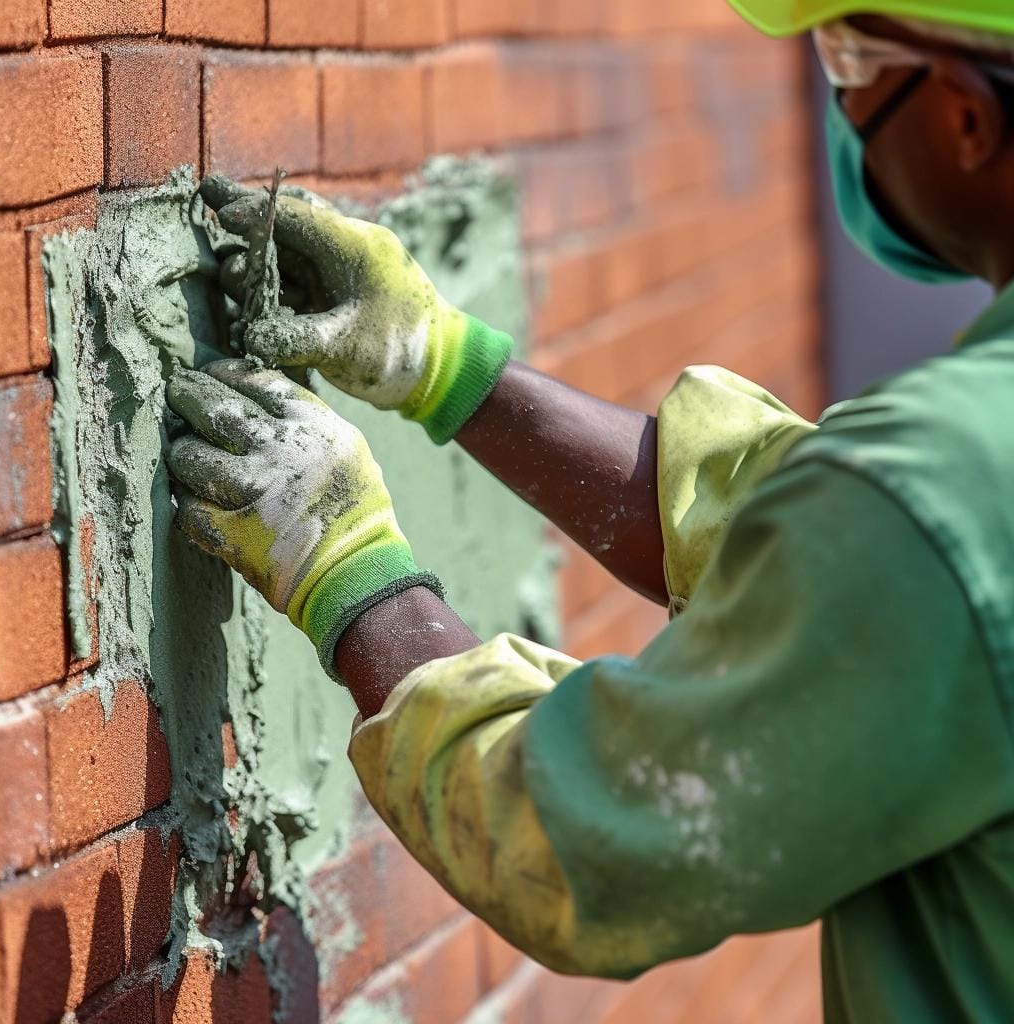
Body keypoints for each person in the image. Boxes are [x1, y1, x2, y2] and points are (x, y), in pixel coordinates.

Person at [166, 2, 1014, 1018]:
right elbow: (802, 528)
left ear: (967, 119)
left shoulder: (950, 484)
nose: (838, 98)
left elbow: (582, 839)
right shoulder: (959, 474)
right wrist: (440, 363)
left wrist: (344, 563)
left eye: (849, 53)